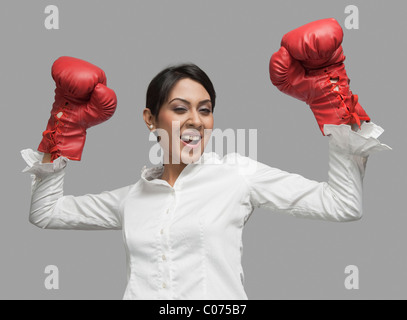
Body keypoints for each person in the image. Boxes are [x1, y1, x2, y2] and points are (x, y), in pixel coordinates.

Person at [21, 18, 390, 300]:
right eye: (179, 108)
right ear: (151, 119)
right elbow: (45, 213)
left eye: (205, 109)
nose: (196, 120)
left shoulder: (236, 176)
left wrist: (332, 108)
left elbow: (343, 205)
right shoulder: (131, 199)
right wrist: (63, 128)